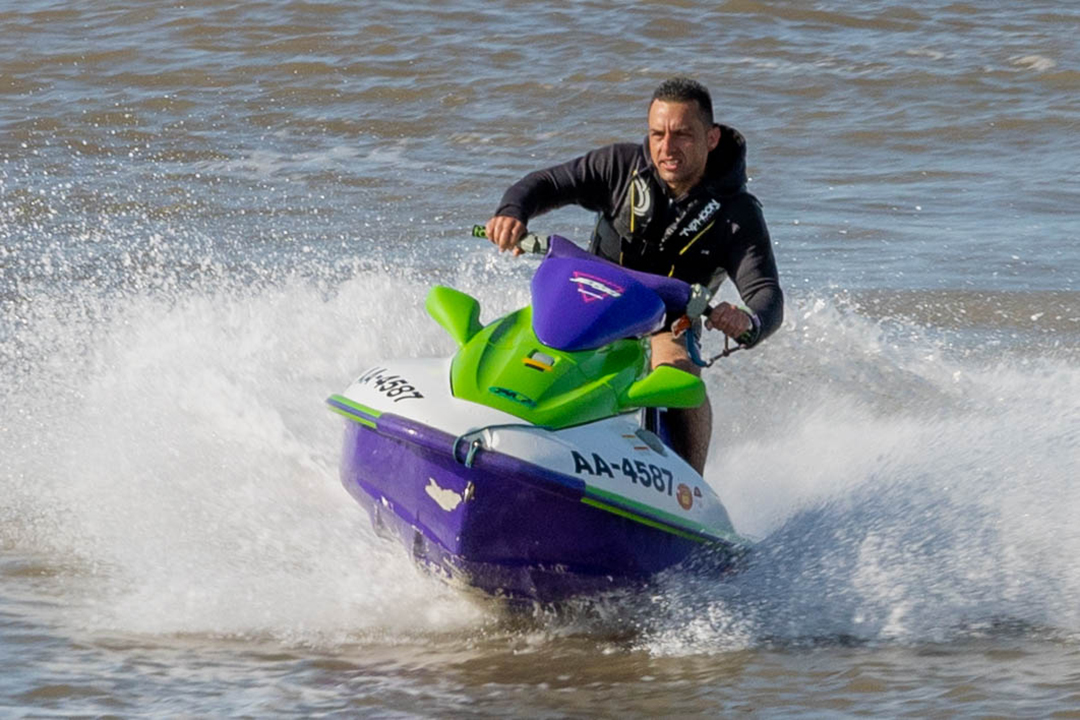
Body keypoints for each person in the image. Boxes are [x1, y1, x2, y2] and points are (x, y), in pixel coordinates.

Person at [485, 77, 783, 476]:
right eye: (657, 133)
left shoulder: (738, 214)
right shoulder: (621, 167)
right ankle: (485, 420)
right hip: (590, 300)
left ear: (711, 138)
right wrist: (513, 211)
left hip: (667, 322)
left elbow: (766, 292)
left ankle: (688, 489)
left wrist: (749, 320)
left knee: (677, 370)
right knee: (522, 333)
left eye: (682, 135)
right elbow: (548, 183)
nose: (666, 147)